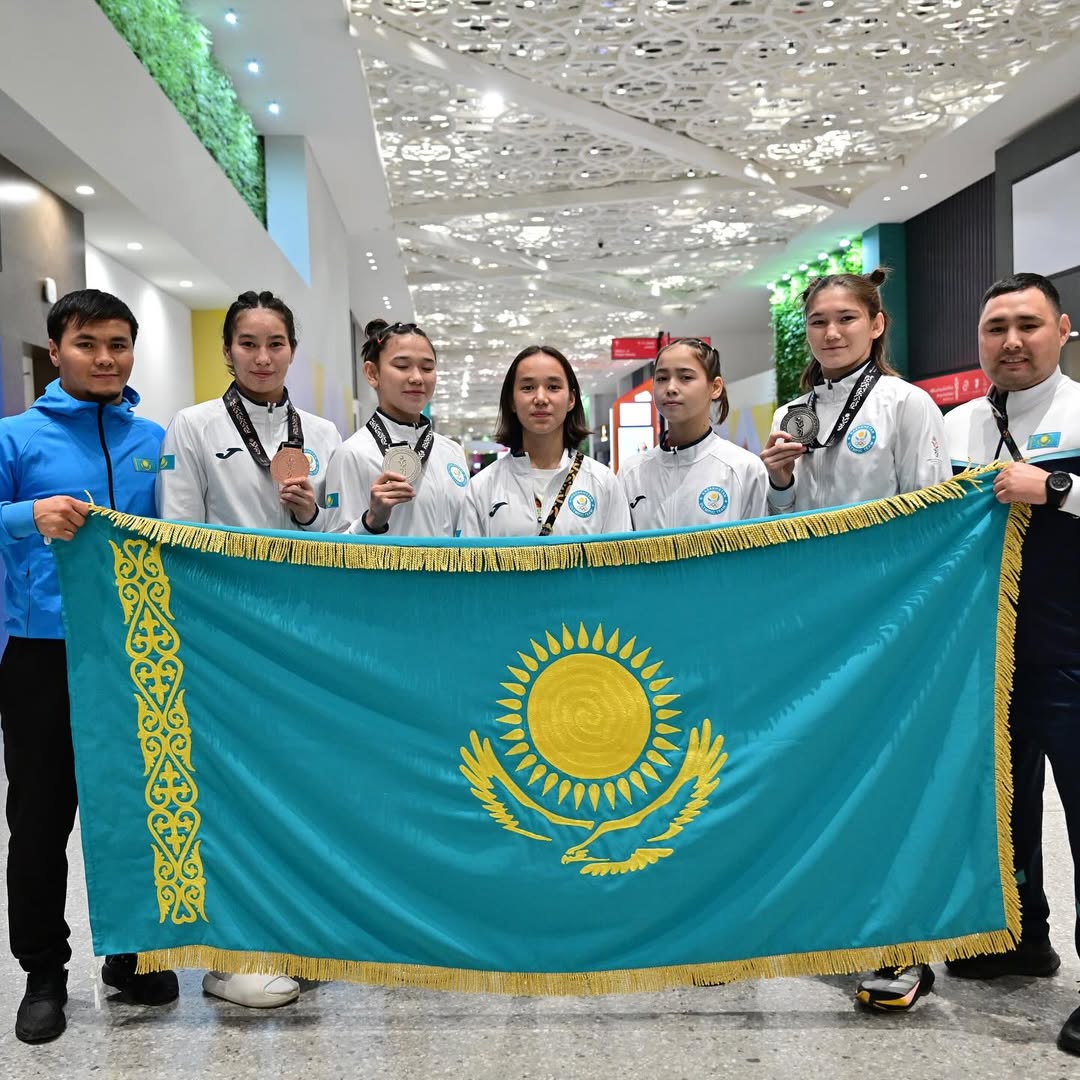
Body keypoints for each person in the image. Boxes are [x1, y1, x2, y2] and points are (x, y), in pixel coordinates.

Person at [759, 269, 950, 1012]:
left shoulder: (907, 403)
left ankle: (904, 943)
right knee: (830, 777)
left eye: (846, 318)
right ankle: (842, 924)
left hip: (891, 618)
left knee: (892, 778)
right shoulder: (794, 412)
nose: (832, 332)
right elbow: (784, 526)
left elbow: (930, 517)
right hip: (819, 624)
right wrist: (779, 481)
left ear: (877, 324)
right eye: (819, 321)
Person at [0, 289, 179, 1043]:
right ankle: (43, 972)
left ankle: (130, 956)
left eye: (118, 344)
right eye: (87, 344)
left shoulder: (154, 439)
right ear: (55, 351)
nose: (105, 359)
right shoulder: (15, 438)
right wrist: (25, 516)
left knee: (134, 808)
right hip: (41, 654)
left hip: (137, 654)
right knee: (40, 821)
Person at [157, 290, 342, 1008]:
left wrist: (310, 513)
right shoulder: (195, 425)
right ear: (227, 350)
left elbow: (338, 539)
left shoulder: (321, 432)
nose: (263, 358)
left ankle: (297, 936)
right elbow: (179, 532)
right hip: (227, 634)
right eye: (248, 343)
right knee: (231, 790)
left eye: (275, 343)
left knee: (297, 785)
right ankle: (230, 955)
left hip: (301, 635)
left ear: (293, 349)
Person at [943, 272, 1078, 1054]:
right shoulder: (956, 427)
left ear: (1062, 330)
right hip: (987, 658)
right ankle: (1020, 938)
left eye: (1028, 325)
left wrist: (1055, 486)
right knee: (1003, 810)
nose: (1012, 341)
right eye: (996, 328)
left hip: (1074, 655)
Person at [462, 345, 630, 537]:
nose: (541, 398)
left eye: (553, 387)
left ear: (571, 399)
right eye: (528, 388)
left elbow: (620, 555)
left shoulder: (602, 482)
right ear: (511, 401)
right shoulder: (482, 487)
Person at [324, 320, 469, 537]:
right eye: (402, 366)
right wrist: (370, 521)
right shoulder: (352, 454)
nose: (417, 378)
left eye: (427, 368)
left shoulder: (452, 452)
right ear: (372, 373)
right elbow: (334, 548)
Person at [619, 338, 768, 528]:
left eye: (686, 377)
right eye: (662, 378)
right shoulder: (631, 473)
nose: (671, 388)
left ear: (715, 387)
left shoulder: (744, 468)